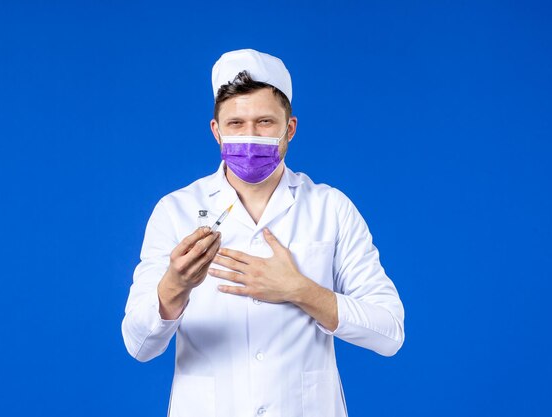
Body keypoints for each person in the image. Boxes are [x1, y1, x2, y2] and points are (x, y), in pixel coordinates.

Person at [121, 48, 405, 417]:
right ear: (216, 131)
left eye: (265, 122)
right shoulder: (175, 210)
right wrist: (175, 284)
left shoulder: (330, 207)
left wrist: (300, 290)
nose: (250, 137)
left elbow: (389, 332)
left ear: (290, 129)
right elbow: (139, 345)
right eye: (236, 124)